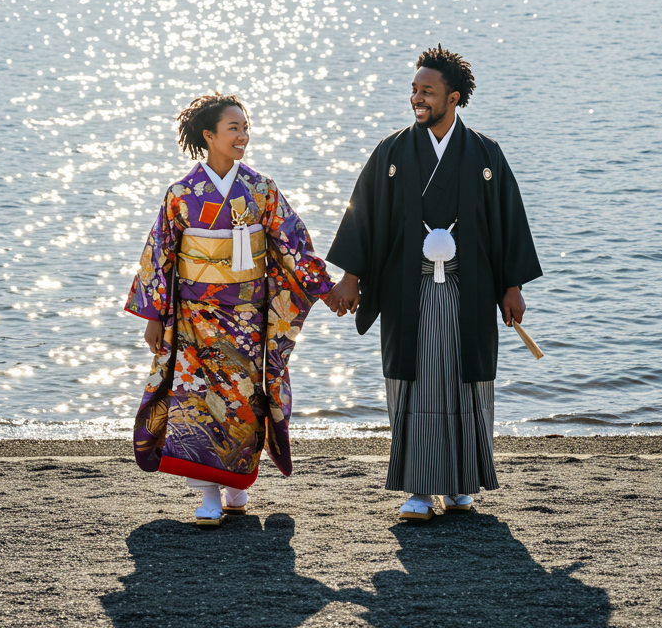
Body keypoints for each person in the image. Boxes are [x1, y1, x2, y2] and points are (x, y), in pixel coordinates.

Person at [326, 47, 542, 521]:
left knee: (468, 385)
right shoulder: (393, 151)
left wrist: (512, 285)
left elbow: (508, 220)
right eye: (414, 90)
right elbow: (363, 214)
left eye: (428, 91)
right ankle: (421, 490)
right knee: (415, 385)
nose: (417, 99)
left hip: (471, 292)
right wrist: (349, 277)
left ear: (454, 98)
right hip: (410, 290)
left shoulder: (485, 153)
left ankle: (461, 484)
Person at [125, 91, 339, 526]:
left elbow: (292, 244)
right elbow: (160, 257)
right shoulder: (182, 194)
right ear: (209, 135)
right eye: (234, 128)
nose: (243, 135)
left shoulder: (261, 189)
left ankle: (238, 484)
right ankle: (206, 494)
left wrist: (326, 287)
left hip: (246, 319)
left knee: (243, 403)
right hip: (193, 320)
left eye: (245, 127)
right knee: (196, 402)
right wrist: (153, 318)